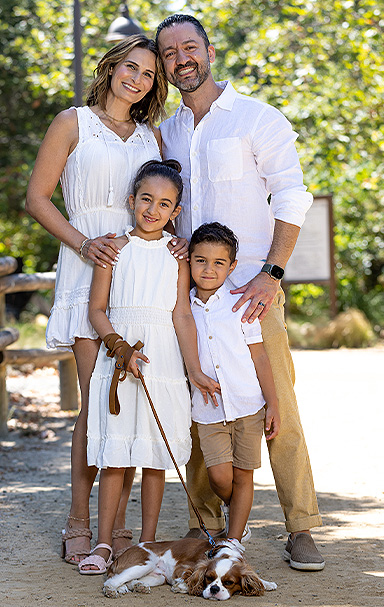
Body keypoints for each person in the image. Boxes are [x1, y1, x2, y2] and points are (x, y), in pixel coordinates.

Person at [156, 14, 325, 570]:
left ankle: (301, 527)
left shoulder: (257, 118)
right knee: (201, 404)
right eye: (170, 52)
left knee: (279, 410)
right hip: (192, 297)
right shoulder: (170, 131)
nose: (181, 58)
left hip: (251, 292)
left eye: (189, 47)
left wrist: (271, 273)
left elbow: (292, 199)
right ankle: (206, 525)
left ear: (208, 49)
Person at [25, 35, 188, 570]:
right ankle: (79, 522)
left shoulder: (151, 137)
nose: (138, 79)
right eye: (130, 67)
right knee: (97, 403)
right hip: (87, 263)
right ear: (112, 67)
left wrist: (181, 241)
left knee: (132, 404)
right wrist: (82, 243)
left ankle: (116, 529)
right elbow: (36, 198)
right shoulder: (72, 122)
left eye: (148, 74)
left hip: (138, 276)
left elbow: (164, 200)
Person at [77, 160, 220, 574]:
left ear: (176, 211)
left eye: (164, 204)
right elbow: (97, 310)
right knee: (116, 456)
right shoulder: (112, 250)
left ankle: (147, 543)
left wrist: (192, 369)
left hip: (163, 362)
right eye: (146, 200)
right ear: (131, 200)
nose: (153, 210)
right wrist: (120, 348)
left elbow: (181, 315)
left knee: (155, 457)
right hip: (120, 362)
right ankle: (104, 544)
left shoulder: (178, 257)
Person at [189, 222, 281, 543]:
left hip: (247, 405)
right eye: (200, 260)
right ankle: (233, 511)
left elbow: (260, 358)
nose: (209, 269)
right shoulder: (183, 309)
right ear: (189, 260)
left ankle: (234, 542)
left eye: (218, 263)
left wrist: (274, 403)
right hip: (209, 409)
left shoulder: (240, 303)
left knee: (244, 475)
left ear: (232, 266)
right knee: (219, 477)